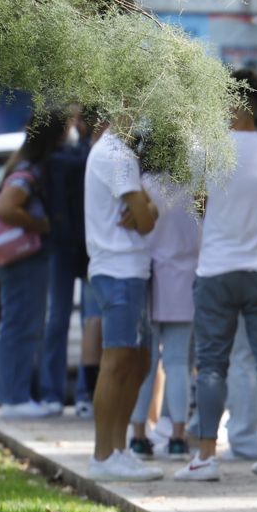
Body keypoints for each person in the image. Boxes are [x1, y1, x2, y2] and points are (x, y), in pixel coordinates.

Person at [175, 71, 257, 483]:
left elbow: (199, 207)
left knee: (211, 364)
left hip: (216, 269)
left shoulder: (206, 152)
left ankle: (206, 456)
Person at [83, 122, 161, 482]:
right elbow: (146, 219)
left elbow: (149, 212)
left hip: (127, 270)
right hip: (119, 270)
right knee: (118, 359)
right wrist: (145, 208)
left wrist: (146, 208)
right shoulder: (118, 154)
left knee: (139, 360)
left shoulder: (117, 152)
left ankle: (117, 449)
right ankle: (104, 454)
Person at [0, 111, 62, 418]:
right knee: (21, 327)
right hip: (24, 259)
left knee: (17, 326)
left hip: (14, 260)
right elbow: (7, 208)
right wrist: (39, 224)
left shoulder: (19, 165)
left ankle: (14, 395)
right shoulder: (28, 172)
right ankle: (15, 397)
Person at [127, 173, 199, 458]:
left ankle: (138, 435)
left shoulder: (144, 185)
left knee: (146, 361)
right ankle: (178, 436)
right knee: (178, 361)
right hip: (186, 276)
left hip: (150, 273)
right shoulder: (197, 186)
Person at [40, 104, 95, 414]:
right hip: (83, 246)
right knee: (87, 321)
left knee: (60, 320)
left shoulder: (55, 160)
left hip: (64, 245)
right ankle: (83, 395)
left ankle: (53, 395)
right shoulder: (89, 156)